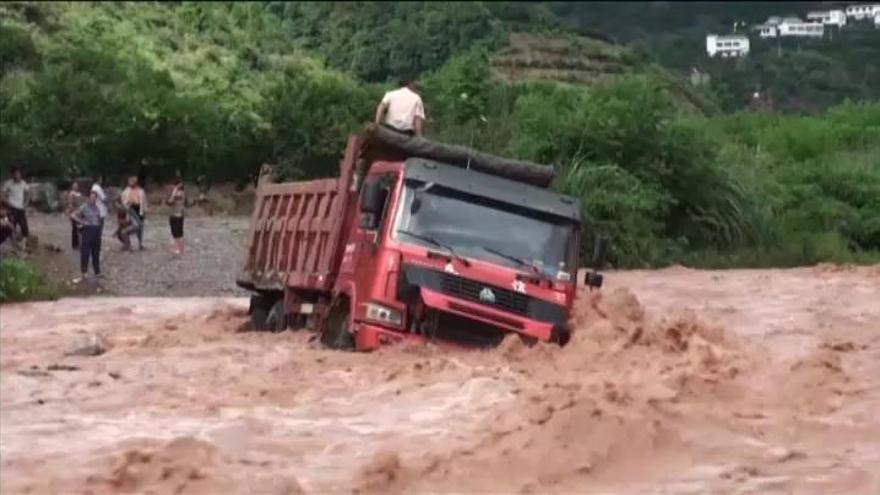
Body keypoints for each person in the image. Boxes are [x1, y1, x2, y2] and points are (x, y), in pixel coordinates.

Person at [70, 190, 103, 282]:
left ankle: (97, 272)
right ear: (89, 197)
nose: (93, 199)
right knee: (85, 253)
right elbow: (73, 215)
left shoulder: (97, 208)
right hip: (88, 230)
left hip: (96, 231)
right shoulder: (84, 207)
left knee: (96, 252)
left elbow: (99, 219)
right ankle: (84, 272)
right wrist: (82, 222)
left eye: (95, 197)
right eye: (92, 197)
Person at [2, 167, 30, 239]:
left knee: (24, 225)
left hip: (20, 207)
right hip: (11, 207)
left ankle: (25, 239)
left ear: (20, 174)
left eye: (18, 173)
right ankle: (9, 239)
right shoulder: (8, 183)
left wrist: (26, 203)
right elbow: (2, 194)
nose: (16, 175)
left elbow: (27, 194)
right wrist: (7, 202)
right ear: (12, 174)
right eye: (15, 173)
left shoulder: (23, 183)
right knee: (11, 224)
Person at [121, 175, 147, 249]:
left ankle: (140, 244)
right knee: (136, 225)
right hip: (131, 210)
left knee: (141, 228)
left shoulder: (141, 191)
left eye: (132, 182)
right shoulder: (126, 191)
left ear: (135, 182)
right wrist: (128, 203)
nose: (130, 183)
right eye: (130, 182)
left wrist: (144, 211)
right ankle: (125, 234)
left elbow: (144, 202)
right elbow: (123, 200)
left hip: (139, 209)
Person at [166, 178, 186, 255]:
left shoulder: (179, 193)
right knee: (178, 233)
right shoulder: (182, 193)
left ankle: (179, 249)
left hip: (176, 215)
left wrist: (174, 192)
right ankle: (180, 249)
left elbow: (170, 202)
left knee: (177, 233)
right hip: (177, 214)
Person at [67, 182, 84, 250]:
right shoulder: (71, 194)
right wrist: (72, 213)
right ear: (72, 187)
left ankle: (79, 243)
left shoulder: (79, 194)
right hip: (74, 213)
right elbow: (70, 204)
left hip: (79, 212)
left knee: (80, 228)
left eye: (77, 186)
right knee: (75, 229)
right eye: (74, 186)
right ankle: (75, 244)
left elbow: (81, 202)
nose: (76, 187)